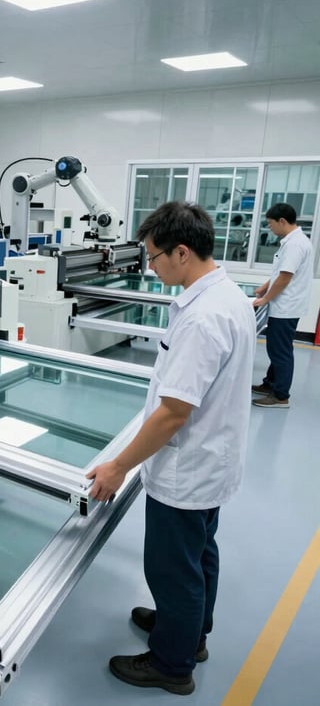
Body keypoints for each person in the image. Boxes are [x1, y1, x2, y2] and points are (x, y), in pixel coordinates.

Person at [86, 201, 256, 696]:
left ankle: (171, 663)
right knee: (200, 555)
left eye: (154, 256)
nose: (151, 265)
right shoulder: (228, 295)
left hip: (188, 468)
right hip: (213, 461)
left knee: (172, 567)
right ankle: (190, 632)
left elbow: (173, 413)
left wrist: (118, 466)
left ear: (182, 252)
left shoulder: (203, 319)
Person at [251, 202, 312, 408]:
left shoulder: (295, 244)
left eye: (270, 223)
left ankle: (280, 396)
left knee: (280, 350)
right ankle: (270, 384)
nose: (270, 227)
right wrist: (264, 287)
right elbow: (280, 273)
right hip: (285, 304)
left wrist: (265, 299)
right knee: (277, 347)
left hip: (286, 307)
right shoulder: (293, 241)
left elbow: (286, 277)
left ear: (282, 221)